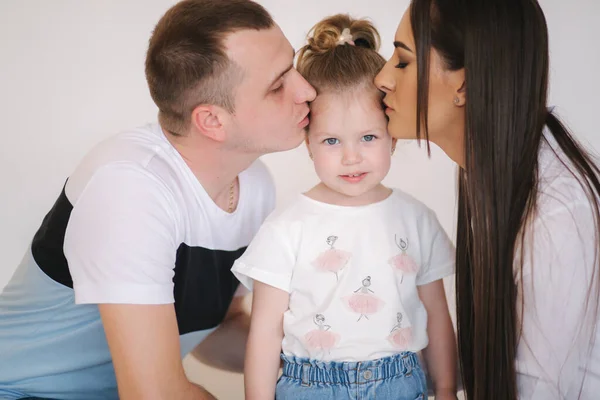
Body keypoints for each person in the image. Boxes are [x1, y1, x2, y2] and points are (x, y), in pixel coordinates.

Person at [0, 0, 316, 399]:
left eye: (294, 67)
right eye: (278, 84)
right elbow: (154, 395)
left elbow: (218, 331)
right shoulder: (129, 187)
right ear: (212, 121)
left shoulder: (254, 184)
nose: (306, 90)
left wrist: (328, 369)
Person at [375, 0, 600, 398]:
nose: (382, 78)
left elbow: (538, 390)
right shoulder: (495, 168)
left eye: (403, 61)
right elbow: (494, 360)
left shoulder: (556, 213)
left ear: (463, 84)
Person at [232, 14, 458, 400]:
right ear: (308, 144)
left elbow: (437, 315)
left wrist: (447, 389)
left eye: (368, 137)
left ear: (393, 138)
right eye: (332, 141)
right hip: (309, 386)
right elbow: (266, 331)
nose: (351, 158)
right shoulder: (287, 226)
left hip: (400, 382)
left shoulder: (416, 219)